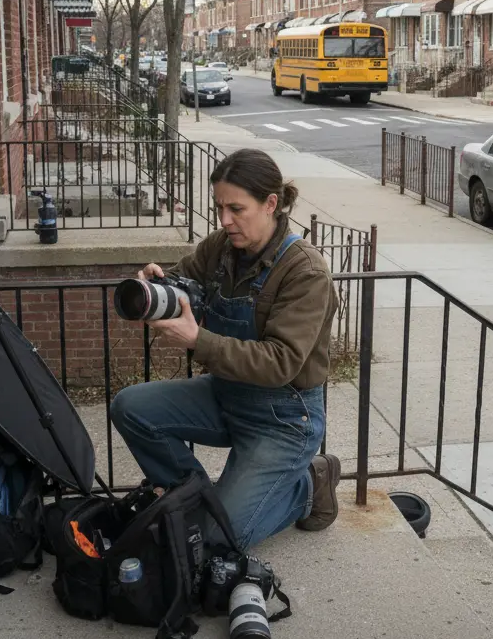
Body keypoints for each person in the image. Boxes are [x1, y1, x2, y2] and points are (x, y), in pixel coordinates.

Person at [109, 148, 341, 551]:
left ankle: (308, 485)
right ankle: (195, 501)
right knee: (131, 407)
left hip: (284, 417)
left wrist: (199, 341)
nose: (225, 220)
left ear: (271, 203)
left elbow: (280, 363)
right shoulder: (221, 247)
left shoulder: (305, 271)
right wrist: (158, 284)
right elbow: (186, 280)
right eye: (219, 207)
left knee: (221, 539)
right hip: (226, 393)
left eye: (236, 208)